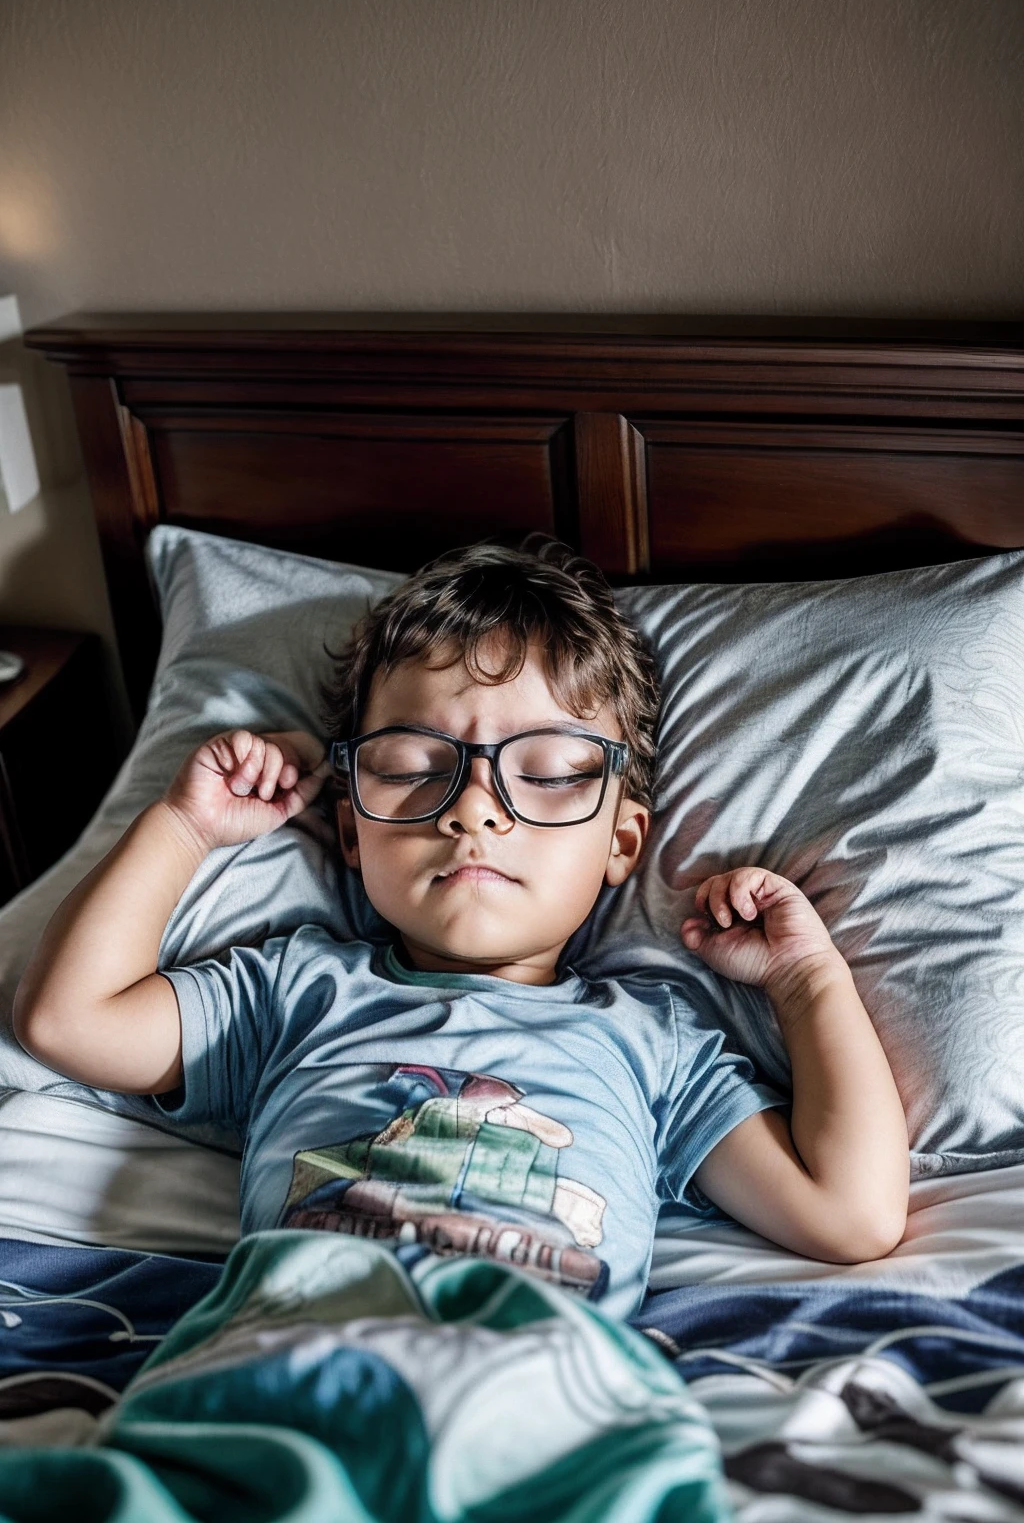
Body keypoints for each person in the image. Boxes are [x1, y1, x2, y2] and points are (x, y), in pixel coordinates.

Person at [13, 538, 909, 1320]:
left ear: (622, 841)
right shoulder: (297, 989)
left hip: (538, 1375)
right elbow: (68, 1021)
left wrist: (806, 979)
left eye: (549, 771)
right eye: (411, 766)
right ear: (354, 832)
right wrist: (184, 826)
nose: (475, 807)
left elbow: (852, 1215)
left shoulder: (654, 1044)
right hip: (295, 1348)